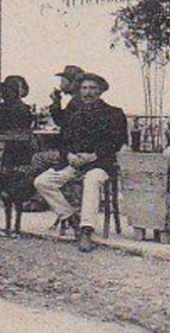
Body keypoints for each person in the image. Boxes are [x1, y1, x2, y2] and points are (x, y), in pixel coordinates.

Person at [33, 66, 128, 246]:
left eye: (92, 88)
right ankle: (71, 218)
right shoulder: (73, 113)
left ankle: (86, 230)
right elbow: (63, 141)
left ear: (100, 91)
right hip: (75, 163)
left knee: (91, 180)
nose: (88, 92)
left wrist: (93, 156)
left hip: (100, 164)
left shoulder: (114, 114)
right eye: (84, 88)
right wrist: (68, 155)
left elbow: (117, 143)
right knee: (42, 181)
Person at [0, 75, 37, 237]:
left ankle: (9, 226)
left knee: (6, 192)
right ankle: (16, 226)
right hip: (21, 156)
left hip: (3, 156)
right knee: (18, 191)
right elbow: (27, 128)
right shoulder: (25, 110)